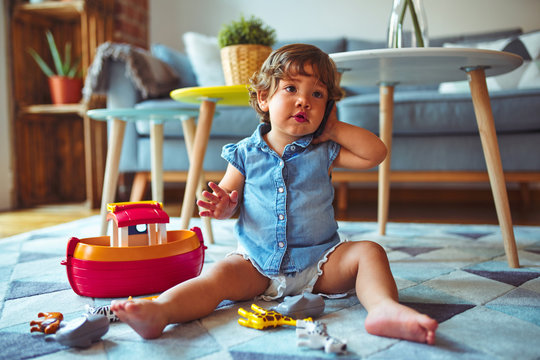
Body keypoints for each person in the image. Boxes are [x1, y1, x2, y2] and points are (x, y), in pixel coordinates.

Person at [111, 44, 438, 344]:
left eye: (318, 94)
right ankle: (162, 311)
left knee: (369, 252)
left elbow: (375, 154)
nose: (304, 101)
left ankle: (383, 308)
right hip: (255, 264)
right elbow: (228, 197)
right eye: (292, 88)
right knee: (216, 278)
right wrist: (223, 206)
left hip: (320, 264)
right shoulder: (244, 153)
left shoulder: (324, 150)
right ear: (264, 97)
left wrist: (334, 128)